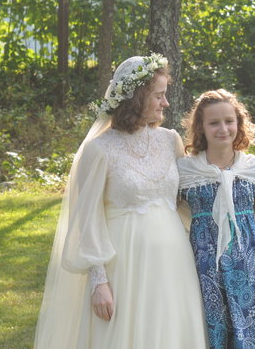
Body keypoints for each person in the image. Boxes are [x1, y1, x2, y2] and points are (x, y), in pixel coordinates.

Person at [34, 54, 207, 348]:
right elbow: (87, 219)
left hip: (175, 263)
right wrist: (98, 282)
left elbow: (189, 201)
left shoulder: (170, 141)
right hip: (124, 268)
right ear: (137, 98)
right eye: (158, 96)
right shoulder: (99, 150)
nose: (166, 103)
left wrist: (233, 223)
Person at [178, 89, 255, 348]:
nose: (223, 129)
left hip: (252, 272)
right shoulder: (186, 171)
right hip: (203, 273)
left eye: (229, 121)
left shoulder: (253, 168)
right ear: (201, 127)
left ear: (239, 123)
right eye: (214, 123)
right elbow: (170, 214)